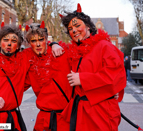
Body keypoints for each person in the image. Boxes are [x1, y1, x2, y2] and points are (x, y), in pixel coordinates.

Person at [52, 3, 126, 131]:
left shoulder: (104, 46)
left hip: (101, 113)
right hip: (81, 113)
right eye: (70, 28)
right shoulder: (74, 51)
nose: (73, 30)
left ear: (88, 26)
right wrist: (53, 44)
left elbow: (116, 75)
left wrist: (83, 79)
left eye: (77, 25)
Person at [23, 22, 72, 131]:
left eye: (41, 39)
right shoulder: (29, 60)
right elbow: (17, 84)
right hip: (43, 121)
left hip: (65, 119)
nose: (38, 44)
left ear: (46, 40)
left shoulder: (62, 53)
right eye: (33, 41)